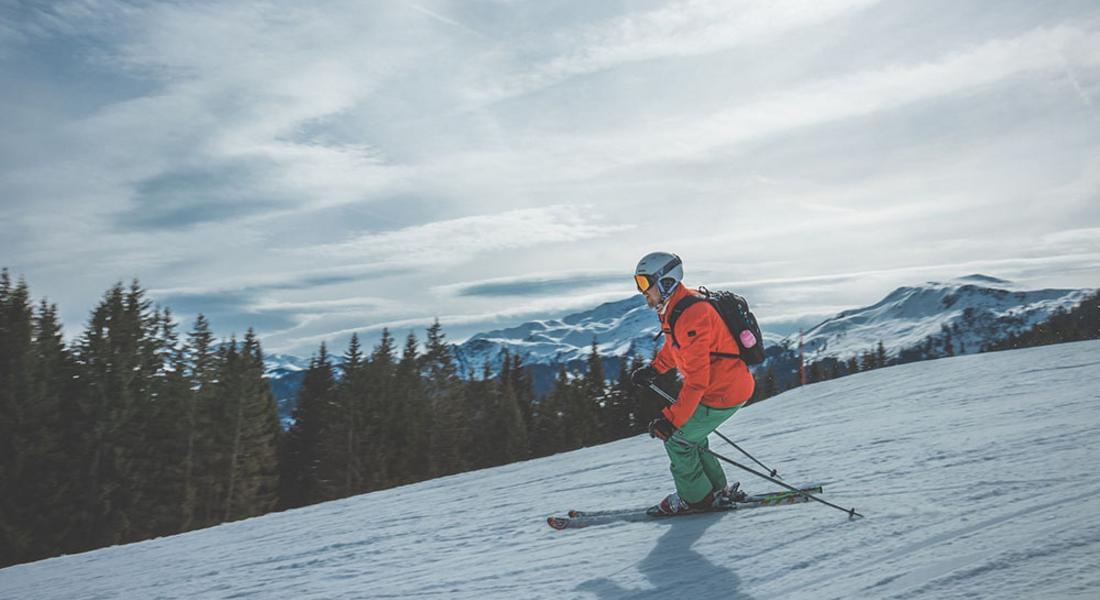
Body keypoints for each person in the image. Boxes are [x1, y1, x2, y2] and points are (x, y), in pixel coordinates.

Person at [630, 251, 756, 514]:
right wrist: (654, 370)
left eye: (644, 283)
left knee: (678, 440)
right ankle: (715, 490)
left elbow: (697, 382)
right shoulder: (675, 308)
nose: (642, 291)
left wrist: (671, 421)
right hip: (723, 388)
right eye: (638, 283)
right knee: (693, 438)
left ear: (665, 282)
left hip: (723, 392)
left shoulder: (691, 314)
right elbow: (675, 348)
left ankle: (697, 499)